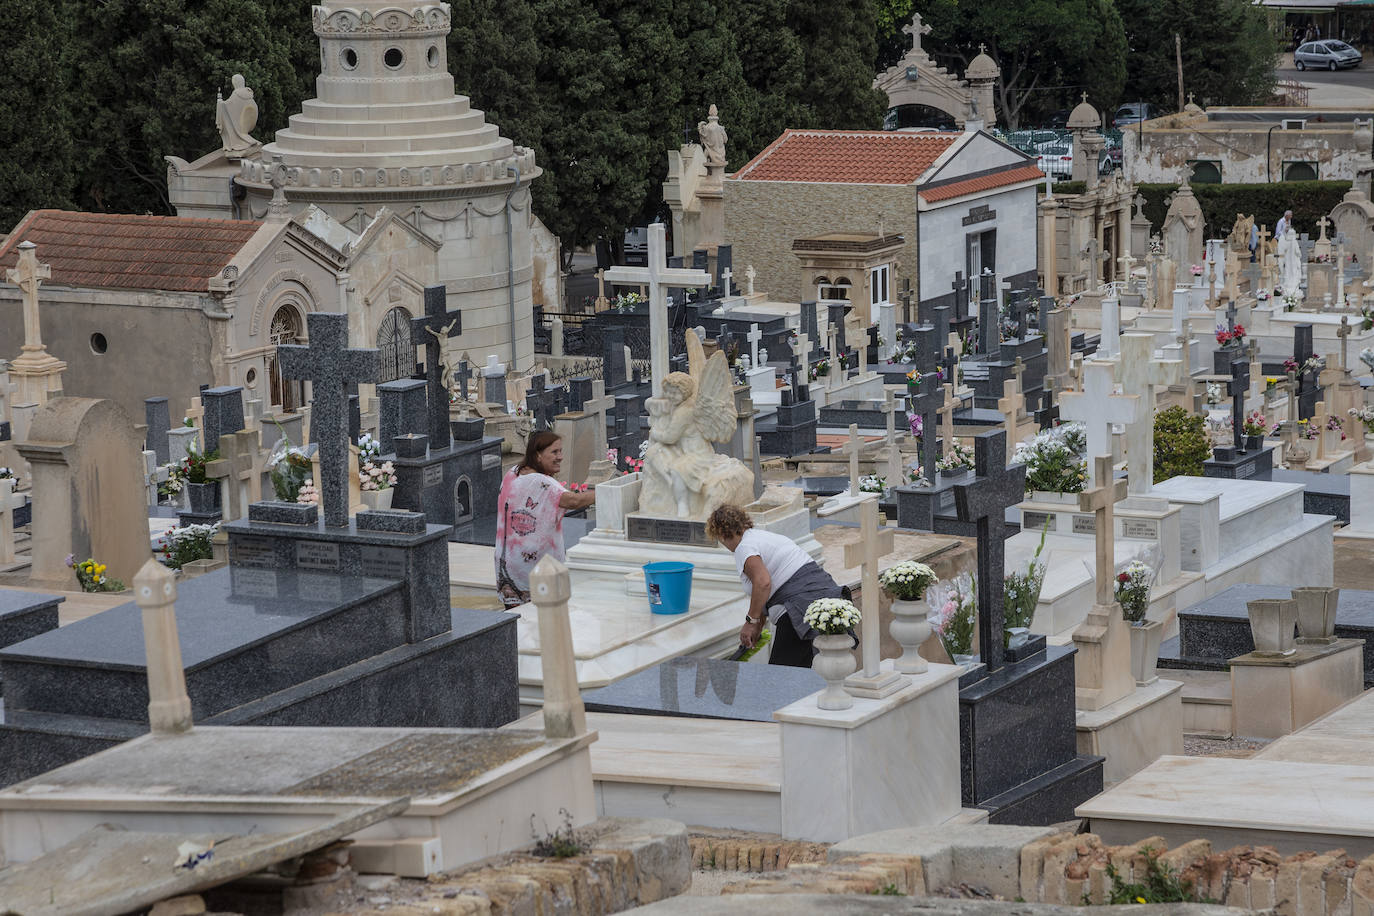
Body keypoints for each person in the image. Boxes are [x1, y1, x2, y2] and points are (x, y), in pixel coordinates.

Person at [707, 504, 845, 668]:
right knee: (803, 676)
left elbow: (763, 582)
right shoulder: (762, 537)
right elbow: (769, 587)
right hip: (821, 598)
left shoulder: (744, 547)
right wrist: (758, 624)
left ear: (722, 534)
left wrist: (750, 622)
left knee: (781, 675)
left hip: (798, 609)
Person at [494, 431, 596, 608]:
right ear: (538, 455)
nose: (560, 457)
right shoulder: (543, 483)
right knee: (541, 622)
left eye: (561, 451)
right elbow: (574, 500)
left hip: (510, 559)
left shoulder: (513, 473)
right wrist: (606, 491)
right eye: (554, 452)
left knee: (518, 621)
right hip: (535, 566)